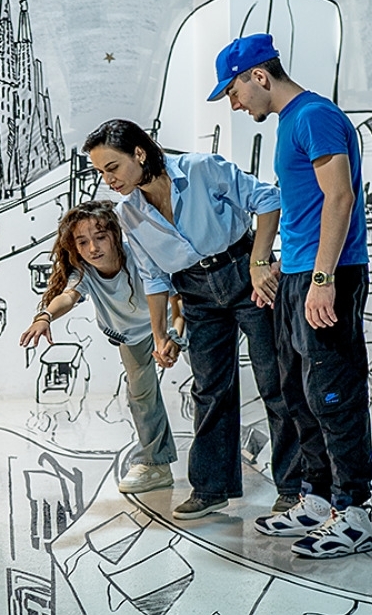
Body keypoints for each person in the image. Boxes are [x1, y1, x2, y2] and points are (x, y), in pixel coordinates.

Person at [83, 118, 308, 521]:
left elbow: (268, 200)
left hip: (243, 272)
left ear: (139, 153)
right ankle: (211, 488)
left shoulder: (202, 168)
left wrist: (260, 261)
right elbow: (154, 276)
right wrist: (160, 335)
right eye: (100, 172)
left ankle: (295, 488)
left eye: (112, 167)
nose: (107, 180)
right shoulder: (129, 212)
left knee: (275, 381)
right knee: (209, 389)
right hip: (195, 292)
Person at [210, 33, 372, 559]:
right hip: (300, 273)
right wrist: (284, 267)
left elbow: (340, 197)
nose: (235, 103)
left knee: (333, 392)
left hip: (330, 273)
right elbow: (307, 208)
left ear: (259, 75)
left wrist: (323, 278)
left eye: (233, 90)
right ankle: (317, 497)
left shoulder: (314, 116)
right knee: (298, 393)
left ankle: (353, 513)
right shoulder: (291, 123)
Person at [19, 200, 185, 494]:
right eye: (82, 242)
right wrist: (45, 316)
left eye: (100, 237)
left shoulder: (139, 255)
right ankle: (156, 464)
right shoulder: (84, 271)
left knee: (207, 384)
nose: (93, 248)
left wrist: (174, 336)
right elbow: (68, 296)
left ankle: (219, 459)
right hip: (130, 334)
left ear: (115, 235)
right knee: (141, 395)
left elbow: (176, 298)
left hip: (170, 321)